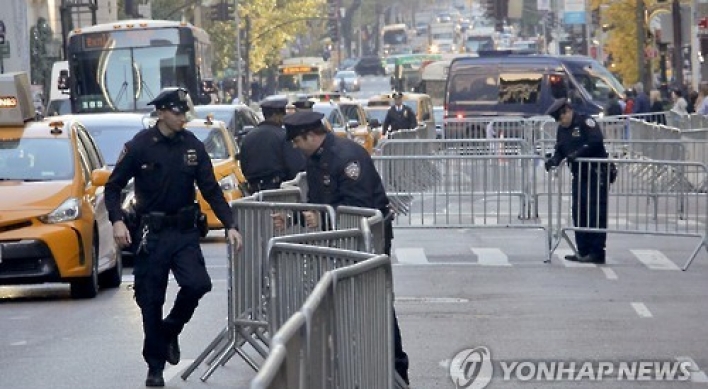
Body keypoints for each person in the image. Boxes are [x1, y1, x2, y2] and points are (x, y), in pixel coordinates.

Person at [104, 88, 243, 387]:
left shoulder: (192, 145)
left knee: (198, 284)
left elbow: (211, 189)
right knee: (150, 300)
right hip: (150, 233)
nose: (183, 118)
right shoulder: (139, 146)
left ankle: (170, 330)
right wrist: (117, 221)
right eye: (178, 112)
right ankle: (154, 366)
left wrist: (230, 223)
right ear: (163, 113)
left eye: (184, 112)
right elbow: (113, 187)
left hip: (184, 231)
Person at [276, 111, 410, 384]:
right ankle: (354, 371)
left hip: (367, 242)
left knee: (376, 305)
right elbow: (320, 203)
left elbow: (358, 207)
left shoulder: (345, 157)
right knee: (343, 307)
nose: (295, 148)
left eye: (296, 142)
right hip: (341, 243)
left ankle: (396, 371)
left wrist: (323, 216)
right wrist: (293, 217)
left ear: (309, 136)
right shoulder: (316, 159)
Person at [544, 99, 609, 264]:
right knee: (579, 212)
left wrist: (578, 153)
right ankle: (583, 250)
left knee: (595, 213)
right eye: (558, 120)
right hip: (579, 175)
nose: (561, 122)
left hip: (595, 174)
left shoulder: (586, 122)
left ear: (568, 111)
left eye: (562, 117)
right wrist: (553, 161)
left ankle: (597, 252)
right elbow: (560, 149)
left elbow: (596, 142)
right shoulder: (562, 129)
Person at [239, 98, 306, 193]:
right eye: (282, 114)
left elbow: (244, 166)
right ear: (275, 116)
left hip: (254, 192)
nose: (284, 118)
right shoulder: (284, 136)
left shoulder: (248, 137)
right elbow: (296, 166)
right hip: (279, 191)